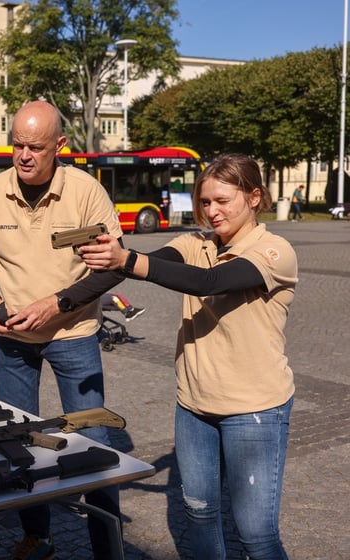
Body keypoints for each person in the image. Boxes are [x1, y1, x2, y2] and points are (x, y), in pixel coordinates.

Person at [79, 154, 297, 560]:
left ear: (253, 197)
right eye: (205, 202)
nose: (211, 211)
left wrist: (127, 259)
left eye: (222, 200)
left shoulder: (274, 251)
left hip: (254, 409)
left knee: (256, 535)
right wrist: (63, 295)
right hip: (194, 406)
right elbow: (156, 266)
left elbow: (208, 282)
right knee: (199, 515)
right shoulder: (194, 243)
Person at [0, 100, 126, 560]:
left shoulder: (86, 192)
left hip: (73, 336)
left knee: (93, 439)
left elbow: (113, 267)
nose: (24, 155)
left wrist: (58, 304)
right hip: (12, 338)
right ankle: (39, 536)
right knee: (17, 439)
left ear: (60, 146)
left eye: (36, 146)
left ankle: (107, 548)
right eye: (17, 144)